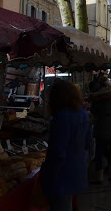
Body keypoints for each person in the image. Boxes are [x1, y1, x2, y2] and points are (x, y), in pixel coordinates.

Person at [42, 80, 92, 211]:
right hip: (77, 169)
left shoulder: (61, 117)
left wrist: (49, 176)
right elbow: (88, 143)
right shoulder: (83, 114)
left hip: (62, 173)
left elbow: (58, 152)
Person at [89, 75, 111, 182]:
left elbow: (93, 111)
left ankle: (99, 175)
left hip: (102, 124)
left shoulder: (97, 96)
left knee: (99, 150)